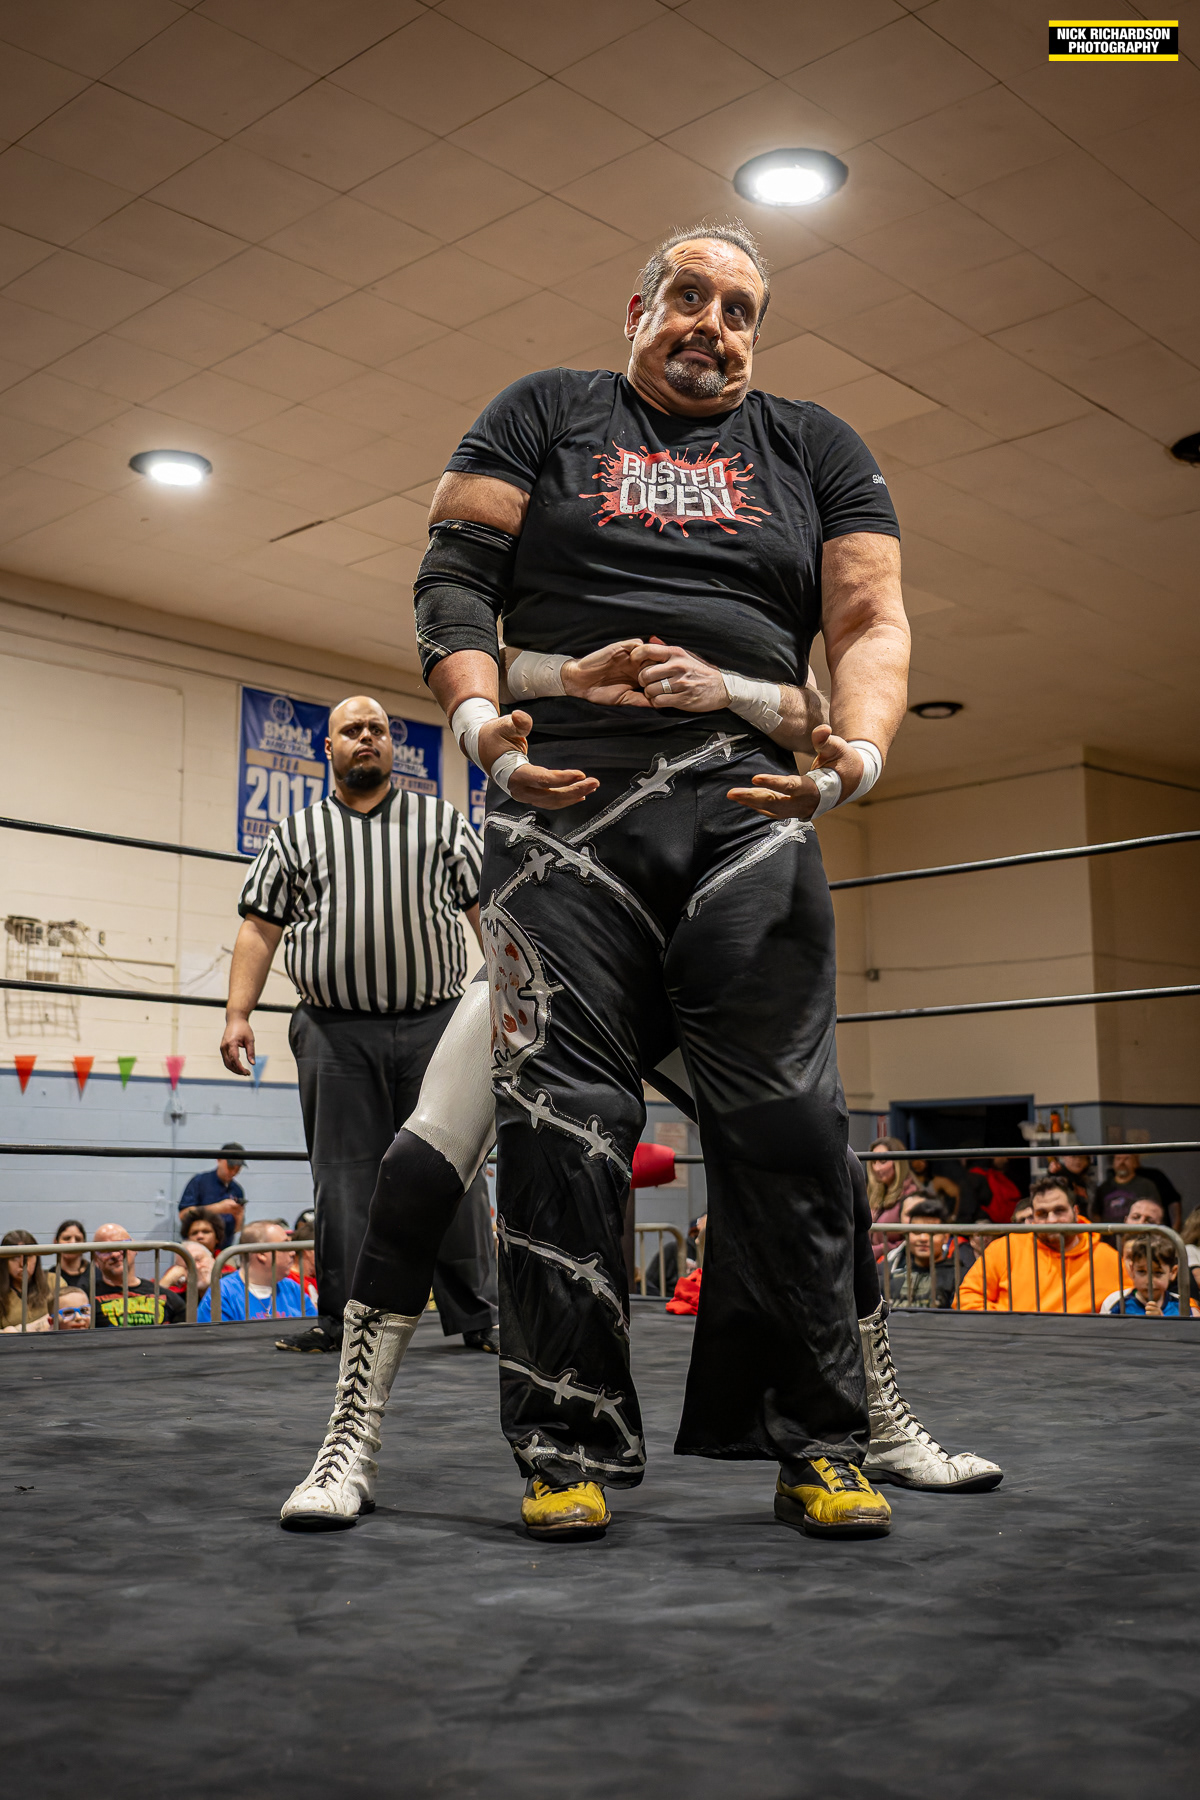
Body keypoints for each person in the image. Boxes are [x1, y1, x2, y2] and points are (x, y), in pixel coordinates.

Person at [294, 215, 1015, 1545]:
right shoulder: (543, 412)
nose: (714, 326)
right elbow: (451, 585)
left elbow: (870, 620)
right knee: (557, 1130)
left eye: (741, 310)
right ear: (636, 310)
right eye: (689, 297)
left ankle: (835, 1437)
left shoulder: (817, 447)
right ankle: (555, 1443)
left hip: (743, 813)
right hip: (567, 809)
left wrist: (853, 761)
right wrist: (482, 729)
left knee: (796, 1133)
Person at [222, 693, 498, 1357]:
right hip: (333, 1031)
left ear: (392, 746)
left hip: (437, 1026)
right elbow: (259, 928)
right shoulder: (295, 833)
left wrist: (509, 1000)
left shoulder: (440, 821)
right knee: (341, 1180)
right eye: (352, 729)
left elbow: (484, 913)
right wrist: (237, 1015)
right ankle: (342, 1320)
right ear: (330, 747)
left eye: (377, 728)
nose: (367, 737)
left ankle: (480, 1317)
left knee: (453, 1171)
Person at [956, 1179, 1121, 1314]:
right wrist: (1009, 1325)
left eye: (1059, 1211)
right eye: (1042, 1214)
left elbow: (1131, 1304)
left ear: (1076, 1212)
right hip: (1013, 1341)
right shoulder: (1005, 1248)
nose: (1051, 1220)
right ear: (1033, 1218)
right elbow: (966, 1298)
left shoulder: (1107, 1258)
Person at [197, 1221, 315, 1322]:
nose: (292, 1253)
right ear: (262, 1253)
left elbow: (314, 1332)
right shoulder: (223, 1294)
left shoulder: (294, 1289)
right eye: (284, 1246)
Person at [885, 1196, 974, 1310]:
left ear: (945, 1237)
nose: (923, 1238)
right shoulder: (890, 1270)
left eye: (932, 1233)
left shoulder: (961, 1276)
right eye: (917, 1232)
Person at [89, 1223, 186, 1327]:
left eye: (121, 1245)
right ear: (95, 1258)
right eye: (105, 1250)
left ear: (134, 1248)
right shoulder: (87, 1297)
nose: (115, 1254)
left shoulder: (170, 1299)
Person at [1099, 1235, 1197, 1317]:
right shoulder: (1115, 1304)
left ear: (1173, 1272)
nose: (1149, 1281)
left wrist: (1163, 1323)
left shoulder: (1184, 1306)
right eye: (1141, 1271)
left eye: (1158, 1273)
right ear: (1132, 1270)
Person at [178, 1144, 246, 1247]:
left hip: (225, 1248)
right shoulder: (199, 1182)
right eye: (230, 1167)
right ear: (219, 1160)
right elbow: (184, 1215)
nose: (233, 1172)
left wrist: (239, 1215)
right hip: (198, 1247)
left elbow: (237, 1229)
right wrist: (218, 1208)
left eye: (238, 1169)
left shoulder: (237, 1190)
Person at [866, 1138, 919, 1239]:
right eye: (873, 1161)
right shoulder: (874, 1193)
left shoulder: (911, 1195)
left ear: (898, 1163)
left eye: (883, 1161)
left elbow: (909, 1240)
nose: (876, 1168)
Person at [0, 1229, 52, 1331]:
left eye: (28, 1256)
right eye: (15, 1257)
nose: (22, 1264)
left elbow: (66, 1317)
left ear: (37, 1257)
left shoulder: (54, 1281)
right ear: (4, 1261)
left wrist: (16, 1330)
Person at [1093, 1152, 1161, 1223]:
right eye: (1118, 1159)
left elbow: (1156, 1212)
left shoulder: (1146, 1185)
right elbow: (1096, 1215)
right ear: (1113, 1163)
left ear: (1135, 1163)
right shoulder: (1103, 1188)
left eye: (1127, 1159)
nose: (1122, 1162)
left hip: (1137, 1229)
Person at [962, 1155, 1021, 1223]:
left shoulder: (996, 1176)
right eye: (1002, 1154)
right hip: (989, 1219)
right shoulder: (980, 1176)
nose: (1007, 1159)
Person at [50, 1219, 92, 1297]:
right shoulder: (50, 1277)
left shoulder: (95, 1274)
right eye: (67, 1238)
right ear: (56, 1242)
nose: (72, 1243)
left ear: (84, 1244)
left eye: (78, 1239)